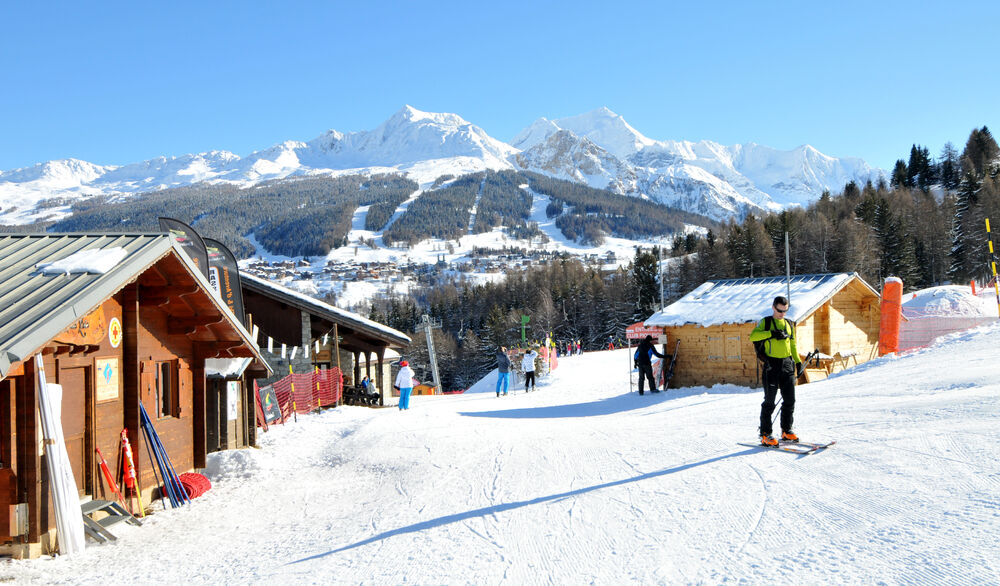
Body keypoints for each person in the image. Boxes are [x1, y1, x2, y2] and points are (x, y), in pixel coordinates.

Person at [749, 296, 803, 446]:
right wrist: (771, 334)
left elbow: (792, 345)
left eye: (785, 311)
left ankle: (786, 431)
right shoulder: (766, 322)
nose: (782, 314)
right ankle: (765, 434)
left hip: (787, 364)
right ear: (773, 307)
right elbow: (753, 336)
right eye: (779, 310)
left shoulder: (788, 324)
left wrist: (798, 362)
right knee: (769, 402)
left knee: (790, 400)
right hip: (771, 365)